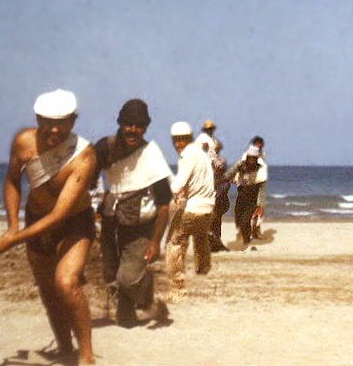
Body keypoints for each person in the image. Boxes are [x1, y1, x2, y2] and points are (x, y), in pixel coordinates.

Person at [0, 89, 97, 366]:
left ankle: (86, 355)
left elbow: (60, 214)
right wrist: (13, 226)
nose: (55, 129)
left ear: (73, 121)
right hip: (36, 218)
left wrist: (14, 240)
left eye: (62, 122)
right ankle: (64, 347)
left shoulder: (84, 156)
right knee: (48, 290)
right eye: (48, 121)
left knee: (66, 283)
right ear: (38, 118)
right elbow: (12, 181)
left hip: (74, 222)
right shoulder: (23, 142)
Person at [94, 99, 173, 327]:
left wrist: (156, 241)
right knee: (110, 272)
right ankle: (126, 307)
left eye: (139, 126)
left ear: (146, 128)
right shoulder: (105, 147)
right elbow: (87, 176)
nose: (133, 130)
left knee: (127, 278)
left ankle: (145, 284)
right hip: (111, 219)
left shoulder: (151, 154)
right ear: (120, 123)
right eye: (129, 124)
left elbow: (164, 203)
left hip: (140, 225)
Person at [165, 121, 216, 302]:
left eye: (181, 140)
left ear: (187, 139)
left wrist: (166, 187)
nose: (178, 144)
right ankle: (203, 269)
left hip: (194, 208)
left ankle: (178, 291)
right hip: (209, 207)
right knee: (200, 236)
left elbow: (177, 185)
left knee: (174, 244)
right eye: (176, 140)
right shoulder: (201, 154)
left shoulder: (187, 155)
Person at [226, 145, 267, 245]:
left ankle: (246, 240)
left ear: (256, 159)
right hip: (241, 195)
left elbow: (262, 188)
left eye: (254, 158)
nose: (251, 160)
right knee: (238, 218)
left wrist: (260, 204)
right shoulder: (241, 165)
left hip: (252, 197)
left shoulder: (260, 170)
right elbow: (229, 174)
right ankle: (244, 235)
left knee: (245, 220)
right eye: (250, 158)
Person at [237, 136, 269, 239]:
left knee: (260, 208)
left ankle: (256, 230)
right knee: (248, 209)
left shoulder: (262, 155)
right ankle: (245, 232)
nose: (259, 145)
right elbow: (242, 168)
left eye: (260, 143)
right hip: (250, 185)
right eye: (257, 143)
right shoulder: (247, 155)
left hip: (260, 183)